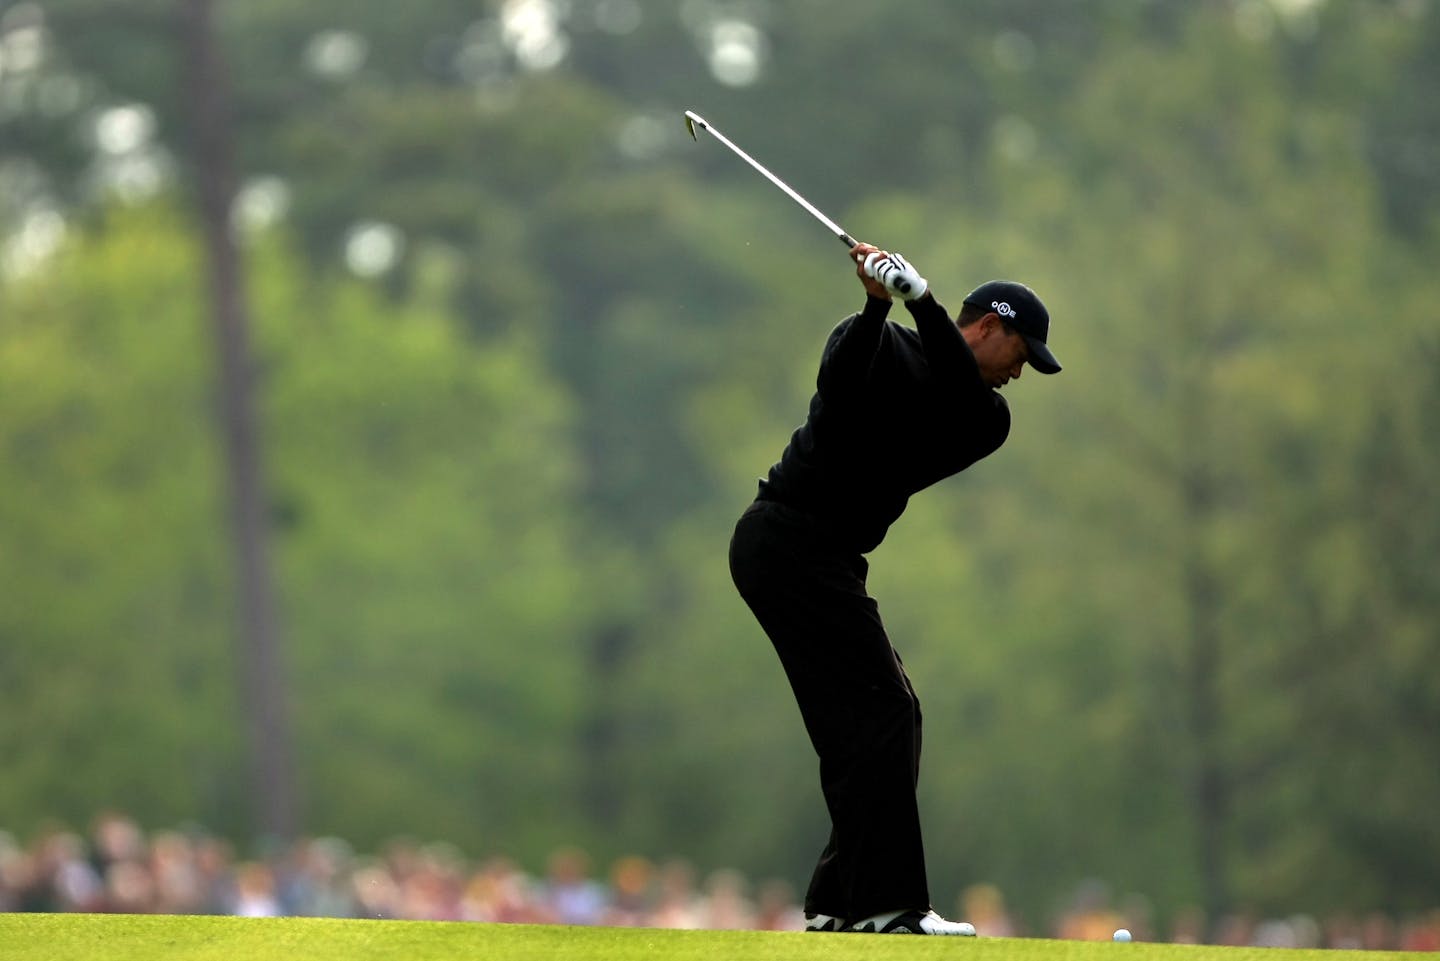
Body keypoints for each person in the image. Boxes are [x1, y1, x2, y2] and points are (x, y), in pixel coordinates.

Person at [728, 243, 1060, 936]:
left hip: (827, 559)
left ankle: (840, 901)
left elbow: (962, 394)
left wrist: (923, 301)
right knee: (880, 712)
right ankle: (887, 905)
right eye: (1021, 355)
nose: (1018, 373)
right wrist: (881, 303)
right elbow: (841, 380)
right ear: (990, 328)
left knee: (888, 716)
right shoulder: (880, 347)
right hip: (787, 540)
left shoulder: (986, 416)